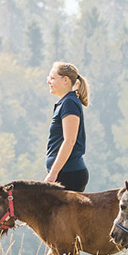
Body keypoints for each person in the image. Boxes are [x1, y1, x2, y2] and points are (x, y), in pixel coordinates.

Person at [42, 62, 91, 191]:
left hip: (69, 174)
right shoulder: (65, 102)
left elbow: (70, 140)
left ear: (65, 80)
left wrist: (53, 173)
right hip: (64, 173)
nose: (48, 81)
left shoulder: (69, 103)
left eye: (52, 78)